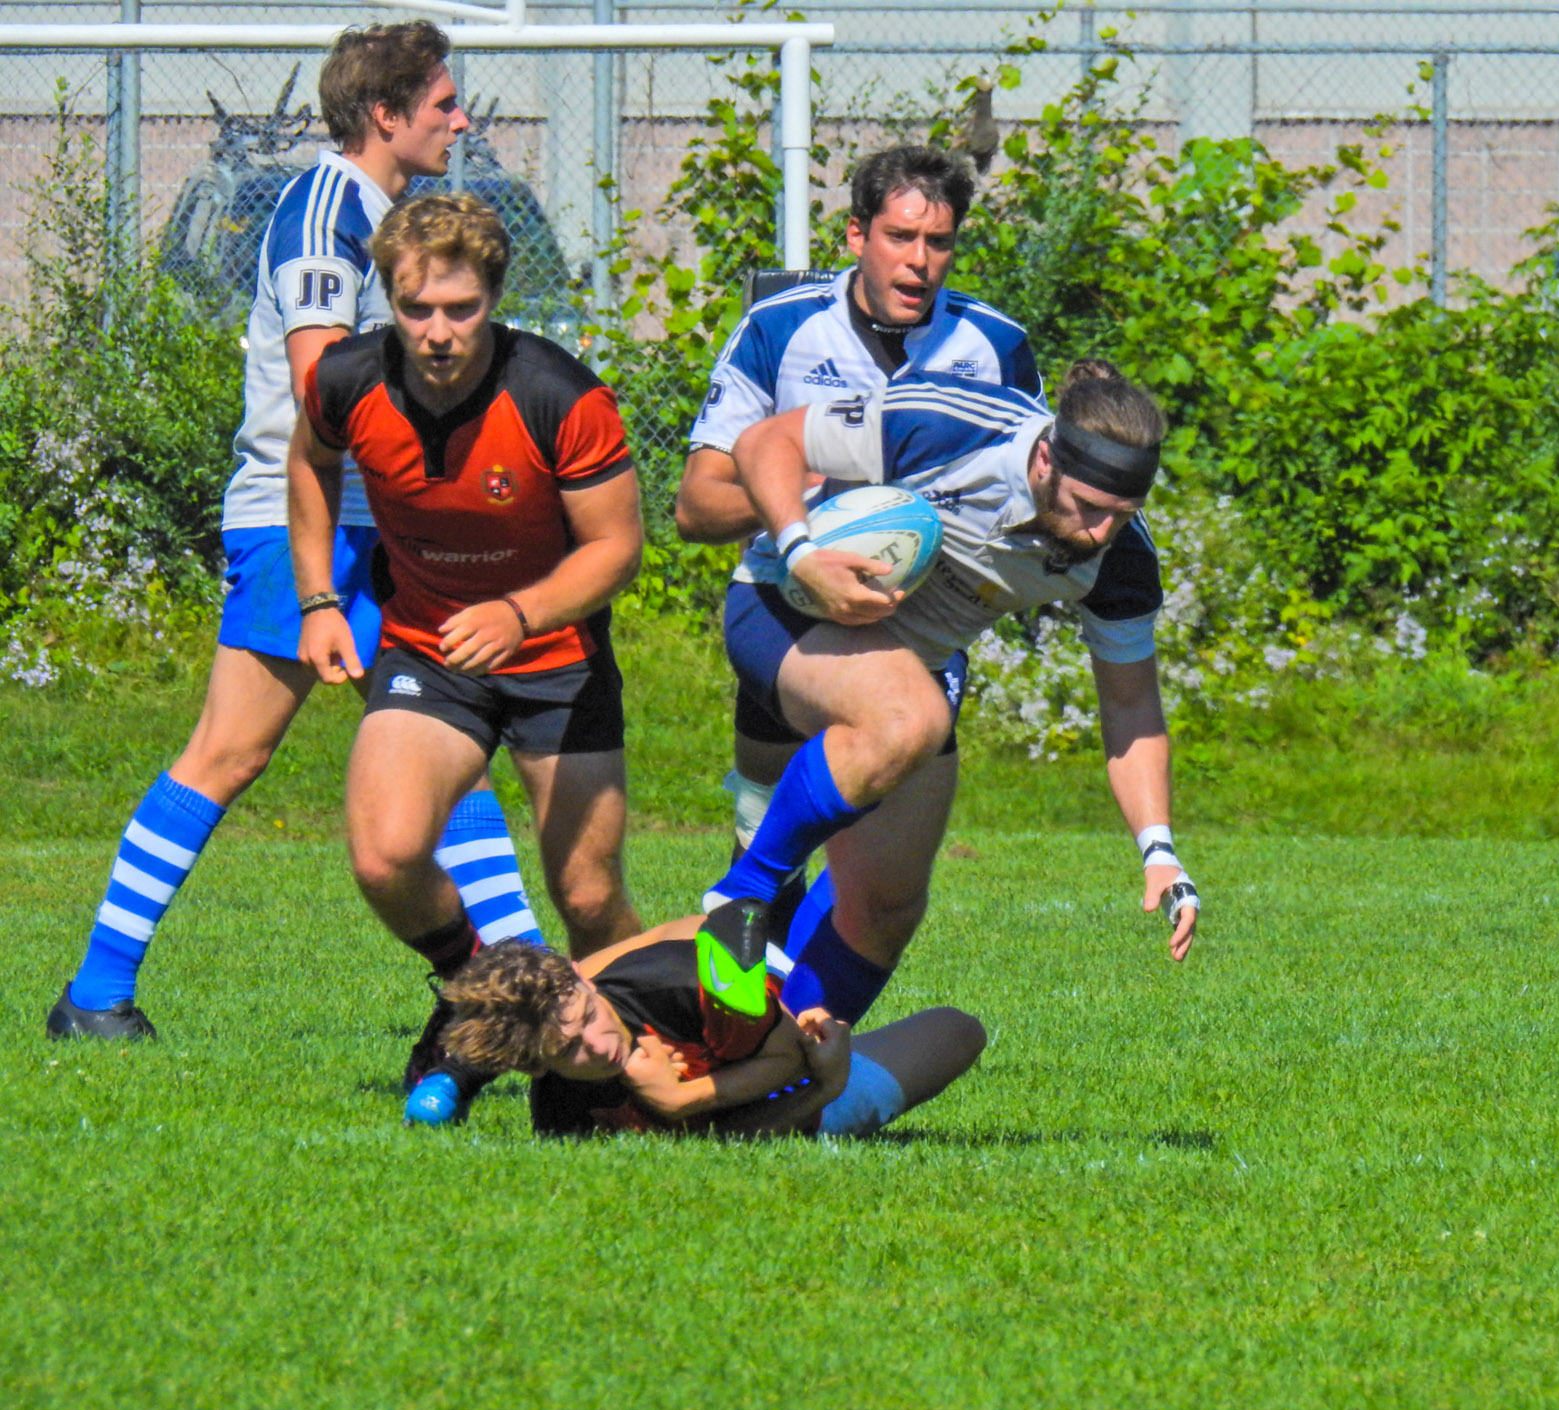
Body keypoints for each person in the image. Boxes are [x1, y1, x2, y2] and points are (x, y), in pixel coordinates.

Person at [47, 21, 548, 1043]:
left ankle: (522, 985)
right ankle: (97, 994)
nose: (460, 119)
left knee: (433, 743)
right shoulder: (329, 211)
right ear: (385, 114)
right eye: (443, 103)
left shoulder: (381, 208)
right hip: (306, 522)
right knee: (236, 752)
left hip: (371, 521)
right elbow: (324, 376)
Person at [289, 191, 646, 1124]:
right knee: (385, 854)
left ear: (495, 295)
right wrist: (321, 599)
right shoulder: (344, 379)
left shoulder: (560, 395)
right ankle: (480, 997)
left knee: (589, 893)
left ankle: (628, 1073)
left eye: (461, 309)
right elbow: (310, 463)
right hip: (429, 651)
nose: (438, 332)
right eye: (416, 310)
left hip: (557, 657)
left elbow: (617, 548)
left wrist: (521, 612)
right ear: (388, 302)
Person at [704, 360, 1201, 1027]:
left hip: (910, 674)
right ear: (1047, 458)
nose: (1099, 534)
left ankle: (776, 1069)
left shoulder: (1121, 562)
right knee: (911, 715)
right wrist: (801, 554)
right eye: (1088, 508)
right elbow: (766, 443)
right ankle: (743, 897)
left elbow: (1131, 709)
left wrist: (1160, 851)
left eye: (1123, 515)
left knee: (888, 904)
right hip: (786, 605)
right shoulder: (950, 426)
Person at [676, 144, 1042, 942]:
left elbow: (1030, 492)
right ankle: (735, 968)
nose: (919, 261)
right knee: (769, 835)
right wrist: (806, 518)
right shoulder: (780, 328)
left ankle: (802, 1027)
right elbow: (697, 507)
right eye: (900, 237)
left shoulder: (996, 348)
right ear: (855, 237)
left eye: (937, 243)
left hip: (915, 625)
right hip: (786, 597)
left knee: (882, 892)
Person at [436, 900, 986, 1139]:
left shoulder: (675, 985)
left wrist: (683, 1098)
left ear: (584, 980)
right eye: (568, 1050)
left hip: (786, 1057)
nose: (597, 1044)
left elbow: (789, 1058)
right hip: (798, 1114)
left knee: (959, 1028)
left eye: (587, 1016)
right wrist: (825, 1091)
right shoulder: (563, 1108)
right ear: (536, 1068)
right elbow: (726, 1149)